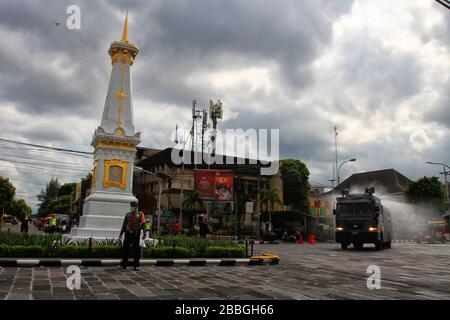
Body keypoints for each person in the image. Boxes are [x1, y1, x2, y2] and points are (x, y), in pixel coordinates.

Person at [118, 201, 146, 270]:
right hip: (128, 234)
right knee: (125, 249)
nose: (131, 208)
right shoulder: (128, 214)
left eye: (132, 206)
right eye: (131, 206)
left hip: (136, 234)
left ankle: (136, 265)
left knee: (136, 250)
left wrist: (144, 233)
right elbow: (124, 225)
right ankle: (124, 265)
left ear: (136, 207)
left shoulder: (140, 214)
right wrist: (121, 234)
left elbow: (143, 225)